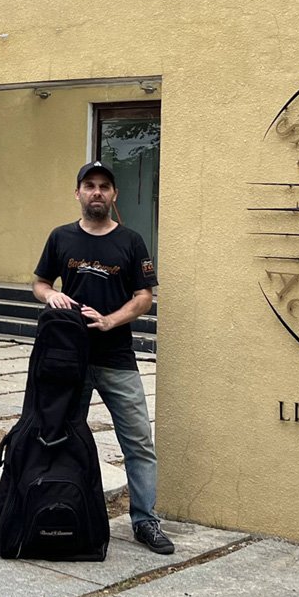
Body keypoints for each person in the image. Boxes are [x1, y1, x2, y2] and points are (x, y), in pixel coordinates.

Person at [32, 160, 173, 555]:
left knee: (139, 442)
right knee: (59, 436)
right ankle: (57, 510)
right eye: (90, 185)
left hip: (116, 358)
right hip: (69, 361)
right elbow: (40, 283)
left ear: (114, 195)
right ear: (78, 192)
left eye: (104, 186)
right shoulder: (61, 237)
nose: (97, 192)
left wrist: (111, 321)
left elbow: (144, 297)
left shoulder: (131, 241)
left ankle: (145, 521)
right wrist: (51, 295)